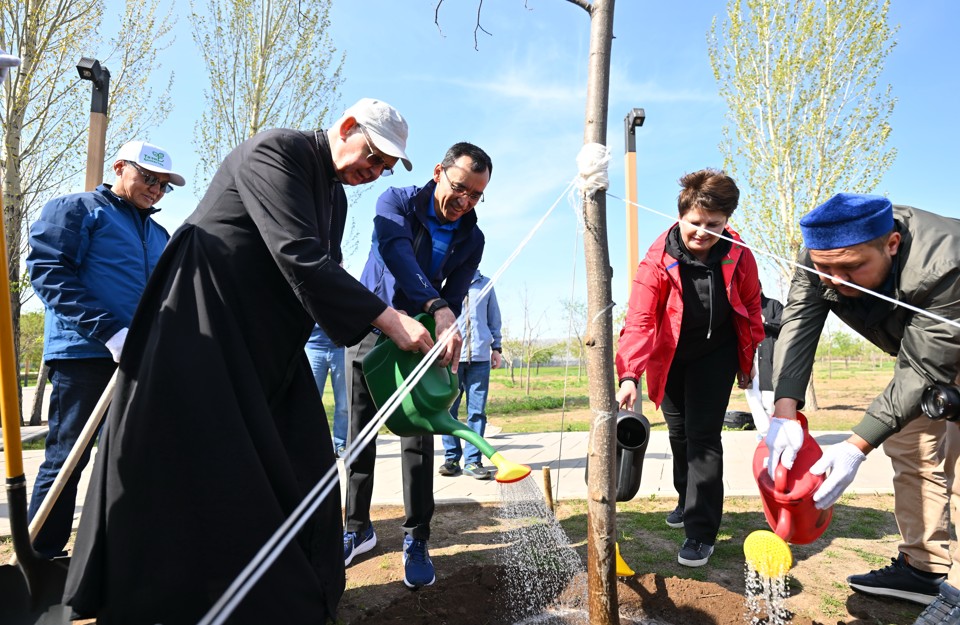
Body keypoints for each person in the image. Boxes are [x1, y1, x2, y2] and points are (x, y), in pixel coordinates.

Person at [63, 98, 435, 625]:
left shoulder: (335, 198)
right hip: (200, 328)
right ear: (347, 127)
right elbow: (297, 254)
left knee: (306, 467)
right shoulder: (276, 151)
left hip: (266, 346)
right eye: (372, 157)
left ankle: (290, 600)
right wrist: (389, 319)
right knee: (199, 470)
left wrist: (393, 317)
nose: (372, 172)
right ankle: (170, 602)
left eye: (384, 169)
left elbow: (324, 270)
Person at [765, 193, 960, 623]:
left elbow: (924, 369)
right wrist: (785, 410)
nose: (835, 279)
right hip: (920, 359)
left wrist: (855, 446)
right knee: (911, 449)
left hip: (941, 346)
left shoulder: (946, 261)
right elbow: (799, 322)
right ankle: (922, 570)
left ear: (891, 244)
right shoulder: (821, 254)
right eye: (824, 268)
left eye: (851, 268)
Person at [343, 142, 492, 589]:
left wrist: (446, 317)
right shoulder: (397, 203)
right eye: (460, 188)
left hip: (418, 338)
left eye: (476, 196)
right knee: (360, 433)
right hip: (372, 325)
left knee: (419, 435)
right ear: (438, 172)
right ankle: (356, 528)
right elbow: (397, 255)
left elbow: (459, 287)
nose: (464, 203)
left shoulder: (473, 236)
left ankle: (417, 537)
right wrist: (436, 303)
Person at [25, 140, 183, 559]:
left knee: (132, 461)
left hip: (140, 361)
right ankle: (39, 558)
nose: (155, 190)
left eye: (164, 186)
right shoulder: (77, 209)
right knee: (66, 461)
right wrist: (111, 332)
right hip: (85, 356)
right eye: (149, 178)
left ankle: (114, 557)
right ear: (119, 168)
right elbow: (48, 271)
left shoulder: (158, 233)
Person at [615, 168, 763, 568]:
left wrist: (747, 363)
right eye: (695, 223)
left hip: (717, 354)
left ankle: (701, 531)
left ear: (727, 220)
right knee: (679, 434)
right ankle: (685, 498)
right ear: (681, 216)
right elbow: (640, 319)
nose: (703, 232)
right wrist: (630, 373)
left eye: (713, 224)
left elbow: (751, 309)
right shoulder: (658, 258)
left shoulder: (739, 253)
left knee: (703, 437)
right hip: (671, 354)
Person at [439, 269, 503, 480]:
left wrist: (497, 348)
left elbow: (494, 318)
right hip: (451, 357)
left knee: (477, 412)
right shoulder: (445, 281)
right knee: (449, 411)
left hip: (479, 359)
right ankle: (451, 458)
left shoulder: (485, 284)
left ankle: (473, 461)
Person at [743, 289, 784, 436]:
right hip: (750, 360)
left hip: (769, 358)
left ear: (759, 288)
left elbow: (784, 326)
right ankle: (765, 433)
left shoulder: (774, 305)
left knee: (769, 401)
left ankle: (771, 432)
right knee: (753, 398)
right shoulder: (743, 307)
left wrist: (765, 322)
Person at [306, 323, 348, 456]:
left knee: (344, 404)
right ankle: (310, 444)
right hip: (312, 347)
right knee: (310, 403)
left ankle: (341, 445)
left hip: (341, 348)